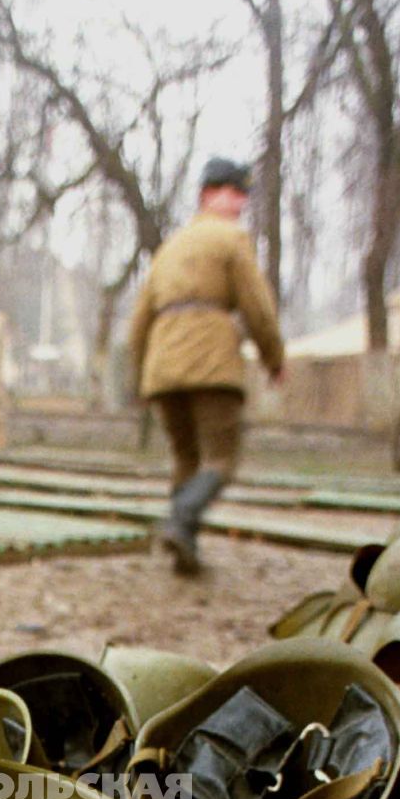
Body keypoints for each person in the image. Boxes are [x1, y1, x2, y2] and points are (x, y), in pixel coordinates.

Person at [128, 157, 284, 576]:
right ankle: (181, 522)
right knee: (220, 459)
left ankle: (185, 547)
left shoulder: (170, 247)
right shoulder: (231, 239)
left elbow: (139, 319)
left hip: (163, 364)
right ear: (209, 195)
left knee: (185, 458)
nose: (239, 203)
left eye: (242, 195)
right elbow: (257, 306)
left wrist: (141, 377)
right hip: (212, 361)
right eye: (233, 193)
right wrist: (274, 356)